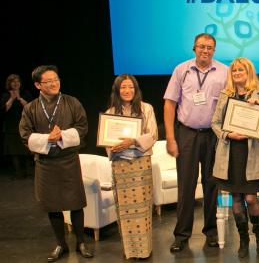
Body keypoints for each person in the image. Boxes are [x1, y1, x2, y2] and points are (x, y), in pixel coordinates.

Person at [19, 65, 93, 262]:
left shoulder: (72, 102)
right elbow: (25, 135)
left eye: (56, 79)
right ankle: (61, 244)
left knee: (76, 203)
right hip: (45, 163)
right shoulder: (30, 108)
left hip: (68, 160)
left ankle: (81, 242)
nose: (53, 83)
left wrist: (62, 136)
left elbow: (82, 126)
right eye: (48, 81)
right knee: (52, 206)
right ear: (37, 85)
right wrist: (47, 139)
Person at [163, 33, 228, 252]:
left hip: (212, 135)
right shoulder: (181, 70)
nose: (205, 51)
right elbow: (170, 104)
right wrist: (171, 139)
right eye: (201, 47)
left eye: (210, 47)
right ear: (194, 48)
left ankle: (211, 232)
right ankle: (181, 235)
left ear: (214, 50)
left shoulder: (224, 72)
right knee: (186, 187)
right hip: (187, 134)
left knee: (211, 185)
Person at [211, 57, 259, 258]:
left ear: (249, 72)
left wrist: (258, 110)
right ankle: (243, 241)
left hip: (252, 154)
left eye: (241, 69)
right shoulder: (225, 94)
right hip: (230, 153)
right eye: (234, 70)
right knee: (236, 199)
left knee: (251, 198)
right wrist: (228, 134)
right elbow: (215, 122)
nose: (237, 73)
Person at [103, 74, 158, 259]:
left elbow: (153, 134)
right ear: (117, 91)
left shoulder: (146, 108)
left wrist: (133, 141)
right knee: (125, 209)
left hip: (140, 164)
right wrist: (112, 145)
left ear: (136, 90)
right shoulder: (110, 112)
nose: (127, 91)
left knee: (142, 208)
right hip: (120, 165)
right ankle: (130, 251)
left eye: (131, 87)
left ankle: (144, 250)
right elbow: (106, 140)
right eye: (123, 88)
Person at [2, 74, 32, 179]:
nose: (15, 83)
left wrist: (19, 98)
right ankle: (18, 173)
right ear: (9, 84)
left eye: (17, 81)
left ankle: (29, 173)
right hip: (11, 127)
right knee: (14, 152)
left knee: (26, 151)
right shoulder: (6, 95)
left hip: (25, 127)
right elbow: (4, 109)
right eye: (13, 82)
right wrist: (12, 98)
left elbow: (29, 108)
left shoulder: (25, 93)